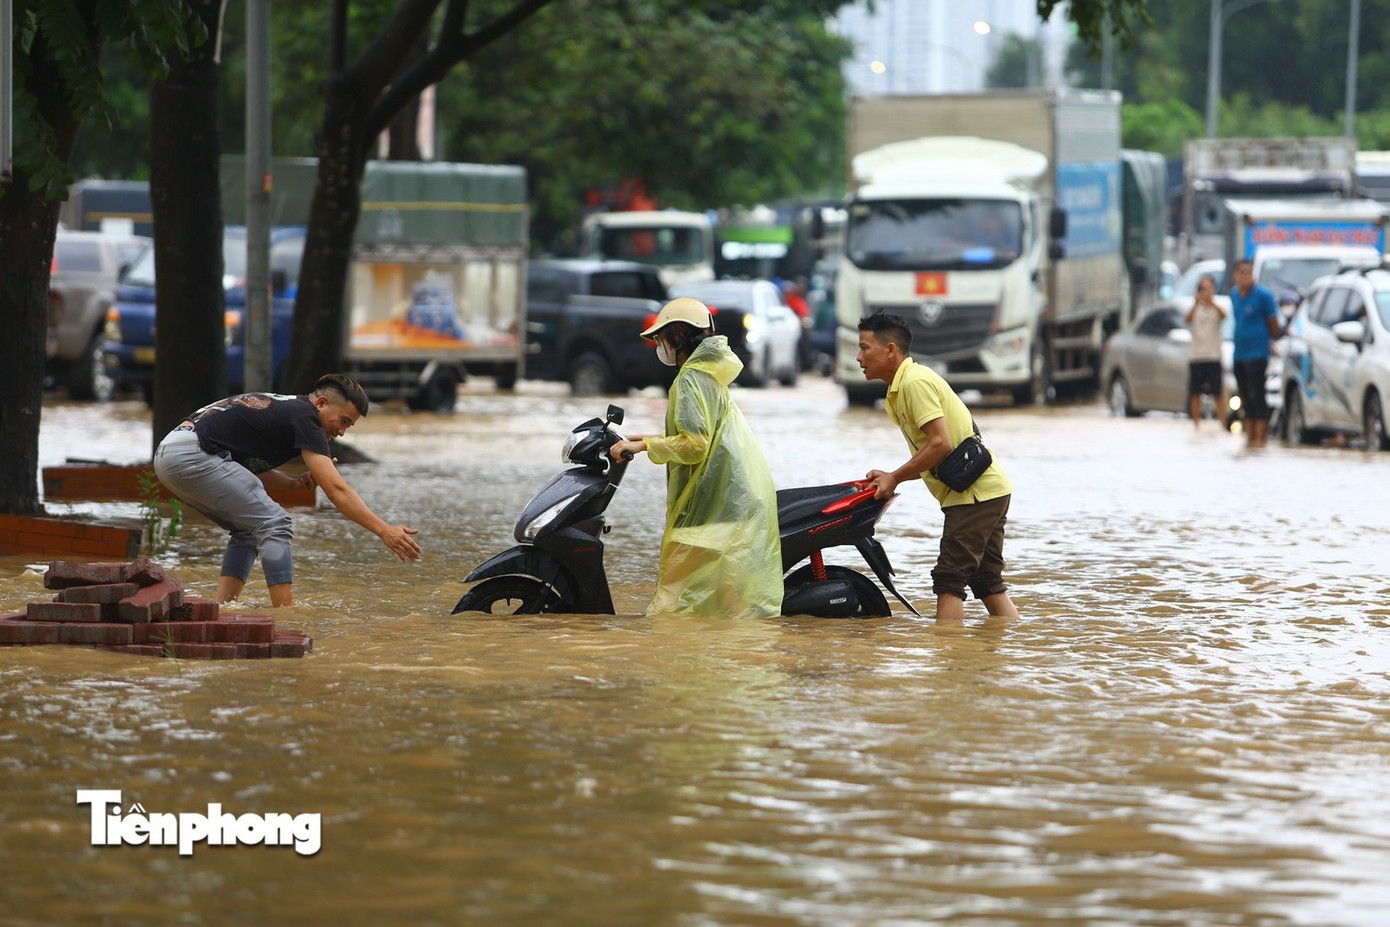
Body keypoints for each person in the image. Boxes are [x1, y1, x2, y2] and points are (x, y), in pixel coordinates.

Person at [153, 373, 422, 607]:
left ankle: (223, 608)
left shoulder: (289, 409)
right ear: (321, 403)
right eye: (342, 421)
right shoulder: (307, 416)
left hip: (171, 454)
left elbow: (236, 465)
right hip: (192, 455)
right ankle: (286, 615)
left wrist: (292, 484)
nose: (341, 432)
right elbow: (336, 490)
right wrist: (383, 530)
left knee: (247, 529)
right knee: (276, 522)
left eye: (348, 426)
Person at [609, 298, 783, 619]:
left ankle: (663, 641)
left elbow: (696, 444)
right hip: (734, 497)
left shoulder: (690, 378)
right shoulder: (708, 374)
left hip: (715, 501)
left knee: (672, 594)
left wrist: (644, 447)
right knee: (728, 598)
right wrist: (640, 439)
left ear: (678, 335)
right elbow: (694, 432)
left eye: (662, 338)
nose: (660, 346)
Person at [856, 312, 1019, 628]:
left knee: (949, 578)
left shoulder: (914, 383)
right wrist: (892, 476)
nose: (859, 358)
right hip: (989, 492)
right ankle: (1012, 640)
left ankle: (947, 653)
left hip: (973, 496)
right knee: (986, 580)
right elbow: (934, 451)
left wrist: (894, 477)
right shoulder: (902, 387)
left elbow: (940, 444)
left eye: (864, 348)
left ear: (890, 350)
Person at [1229, 258, 1282, 448]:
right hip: (1239, 354)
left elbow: (1273, 324)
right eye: (1242, 272)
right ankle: (1250, 439)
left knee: (1258, 395)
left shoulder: (1263, 296)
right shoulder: (1234, 295)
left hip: (1257, 354)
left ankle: (1261, 440)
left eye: (1249, 272)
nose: (1246, 276)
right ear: (1235, 275)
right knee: (1244, 397)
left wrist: (1268, 340)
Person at [1184, 274, 1227, 428]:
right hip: (1197, 356)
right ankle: (1196, 425)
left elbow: (1224, 315)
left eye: (1209, 288)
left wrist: (1211, 302)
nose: (1206, 291)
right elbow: (1186, 319)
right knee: (1195, 393)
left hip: (1214, 356)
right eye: (1203, 288)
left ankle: (1222, 424)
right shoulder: (1195, 308)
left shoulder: (1217, 307)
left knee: (1218, 394)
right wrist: (1196, 303)